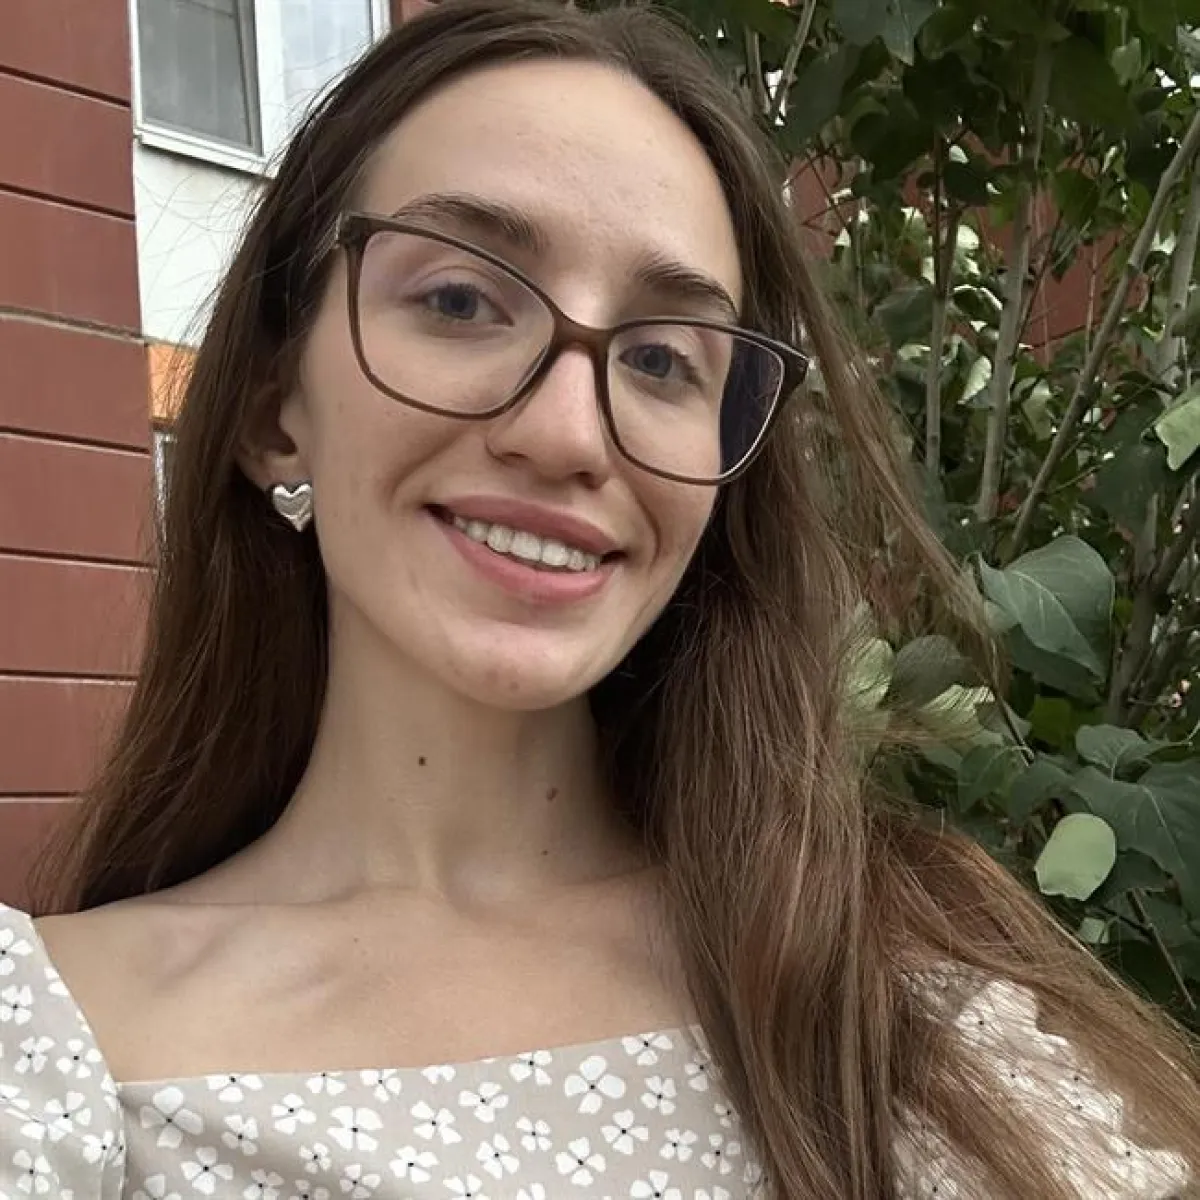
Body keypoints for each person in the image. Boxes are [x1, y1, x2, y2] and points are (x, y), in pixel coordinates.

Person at [2, 1, 1197, 1196]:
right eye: (461, 300)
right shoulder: (53, 1053)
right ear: (274, 409)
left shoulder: (903, 992)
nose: (570, 433)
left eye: (665, 359)